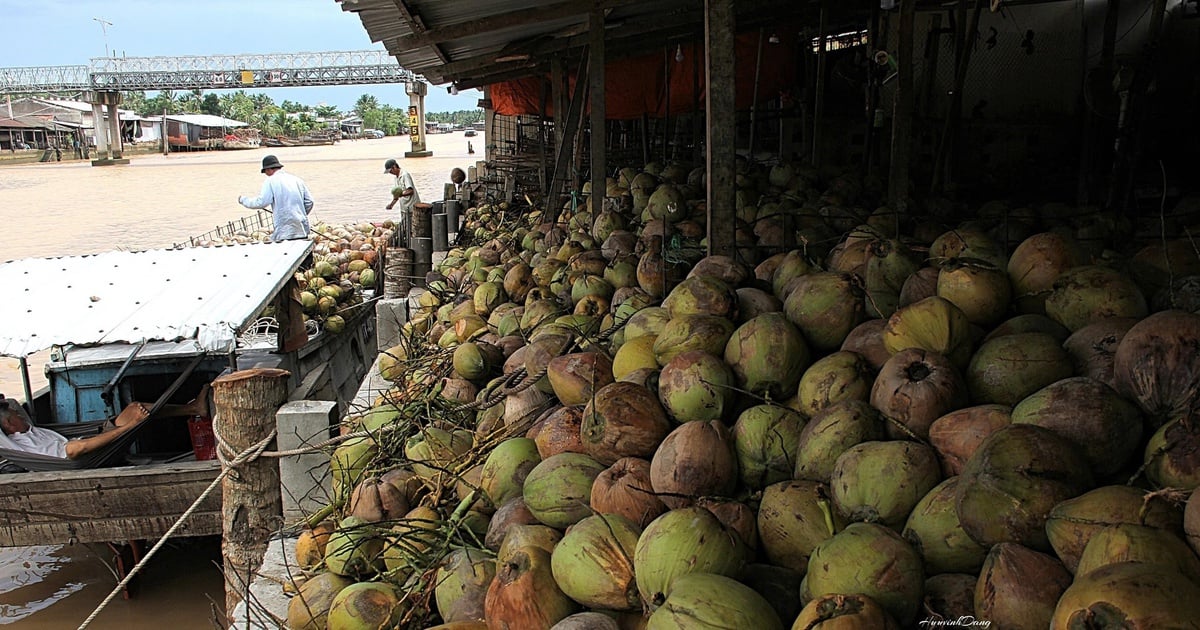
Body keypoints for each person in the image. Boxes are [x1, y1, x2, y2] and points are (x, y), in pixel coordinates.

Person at [0, 387, 209, 461]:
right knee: (73, 448)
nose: (19, 412)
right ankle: (130, 426)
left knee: (135, 408)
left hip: (91, 440)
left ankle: (193, 409)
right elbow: (74, 450)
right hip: (74, 455)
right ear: (9, 425)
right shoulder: (15, 442)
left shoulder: (30, 429)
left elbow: (9, 402)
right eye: (14, 414)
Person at [238, 155, 315, 241]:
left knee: (288, 252)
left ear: (269, 169)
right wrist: (300, 214)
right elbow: (309, 201)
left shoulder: (270, 181)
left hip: (284, 230)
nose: (266, 174)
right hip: (302, 227)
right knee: (302, 250)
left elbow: (262, 202)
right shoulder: (297, 180)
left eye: (265, 172)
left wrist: (243, 200)